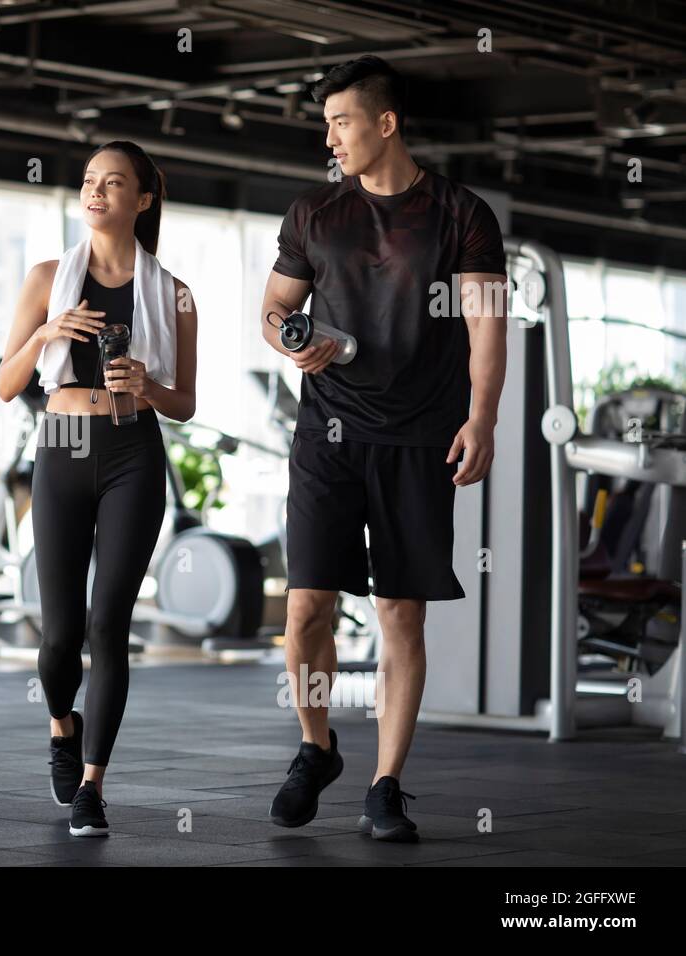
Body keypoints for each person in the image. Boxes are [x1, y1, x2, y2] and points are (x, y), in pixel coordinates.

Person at [260, 55, 508, 842]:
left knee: (400, 613)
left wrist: (484, 419)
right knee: (306, 610)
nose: (329, 137)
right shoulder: (312, 213)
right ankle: (316, 745)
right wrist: (293, 341)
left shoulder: (466, 214)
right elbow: (272, 310)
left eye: (341, 122)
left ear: (386, 123)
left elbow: (485, 327)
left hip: (421, 437)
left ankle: (386, 784)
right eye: (327, 124)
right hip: (327, 433)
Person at [0, 141, 197, 837]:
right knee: (60, 636)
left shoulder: (172, 294)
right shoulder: (48, 277)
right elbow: (5, 384)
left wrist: (148, 385)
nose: (96, 192)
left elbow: (186, 403)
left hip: (131, 449)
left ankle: (92, 785)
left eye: (114, 183)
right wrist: (48, 330)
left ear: (142, 200)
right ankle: (61, 725)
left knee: (110, 626)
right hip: (61, 443)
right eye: (88, 182)